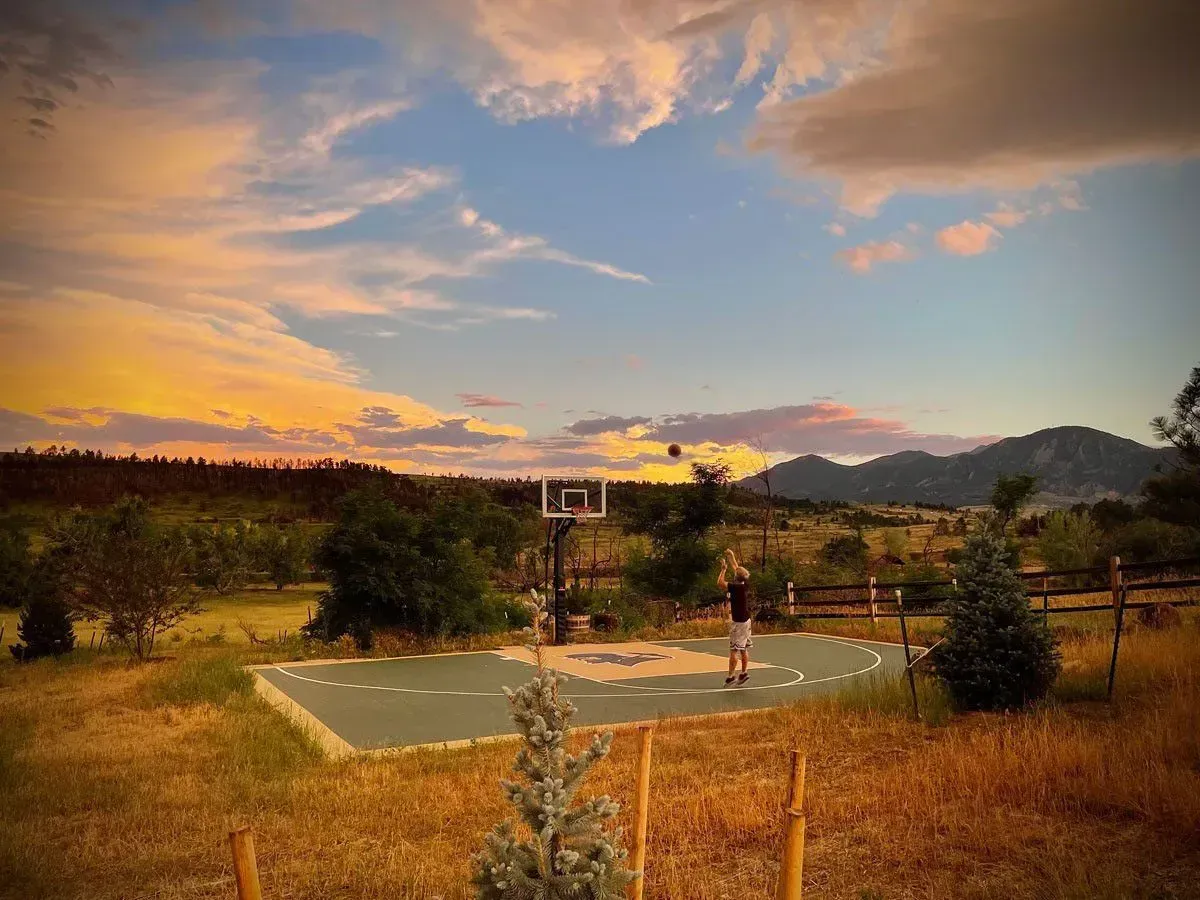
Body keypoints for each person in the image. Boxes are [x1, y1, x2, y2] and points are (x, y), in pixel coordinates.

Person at [718, 549, 752, 685]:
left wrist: (723, 569)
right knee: (744, 648)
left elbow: (720, 583)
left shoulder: (736, 587)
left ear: (736, 577)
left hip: (739, 622)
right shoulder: (744, 583)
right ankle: (743, 673)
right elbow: (737, 568)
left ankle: (731, 676)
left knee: (734, 649)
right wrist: (732, 556)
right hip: (746, 620)